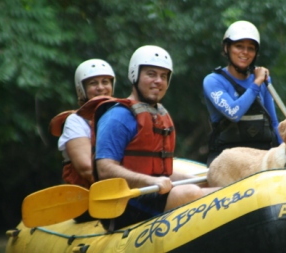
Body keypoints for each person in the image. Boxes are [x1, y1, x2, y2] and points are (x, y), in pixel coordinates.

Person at [81, 45, 218, 231]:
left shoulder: (159, 115)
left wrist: (204, 179)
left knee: (222, 190)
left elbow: (162, 171)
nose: (158, 81)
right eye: (151, 74)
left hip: (153, 195)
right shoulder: (117, 116)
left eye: (163, 76)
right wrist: (150, 181)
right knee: (190, 193)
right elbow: (105, 169)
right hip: (124, 204)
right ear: (134, 75)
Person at [203, 20, 283, 166]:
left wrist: (285, 149)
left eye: (251, 48)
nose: (245, 52)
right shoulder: (213, 81)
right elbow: (234, 113)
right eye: (239, 46)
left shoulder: (263, 80)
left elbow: (274, 122)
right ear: (227, 48)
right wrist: (256, 83)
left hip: (262, 158)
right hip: (227, 161)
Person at [50, 59, 116, 189]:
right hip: (89, 197)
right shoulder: (75, 121)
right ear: (82, 89)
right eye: (93, 83)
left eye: (105, 82)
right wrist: (132, 180)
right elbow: (87, 169)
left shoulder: (122, 116)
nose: (101, 88)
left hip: (127, 192)